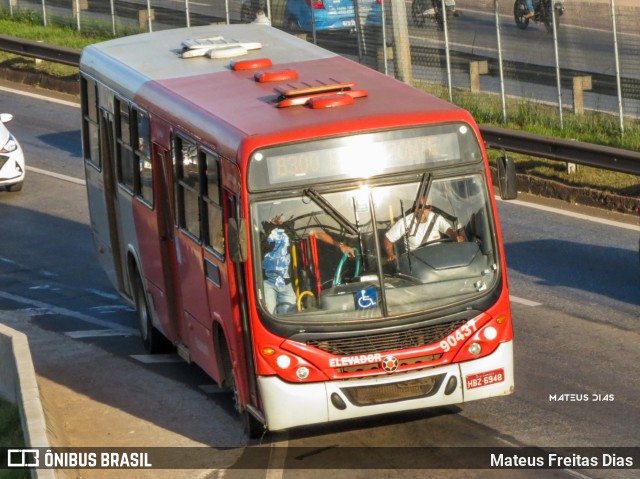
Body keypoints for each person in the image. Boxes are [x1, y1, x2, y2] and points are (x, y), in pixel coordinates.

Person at [261, 215, 355, 314]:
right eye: (278, 215)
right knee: (269, 315)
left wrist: (340, 245)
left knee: (288, 317)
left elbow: (317, 234)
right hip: (267, 283)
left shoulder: (290, 228)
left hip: (286, 284)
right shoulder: (262, 227)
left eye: (282, 215)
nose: (280, 217)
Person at [384, 199, 464, 263]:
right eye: (419, 206)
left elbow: (449, 230)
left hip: (438, 258)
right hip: (416, 261)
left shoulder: (436, 218)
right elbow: (388, 238)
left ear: (430, 208)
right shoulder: (405, 222)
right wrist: (391, 255)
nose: (421, 210)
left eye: (425, 207)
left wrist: (456, 236)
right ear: (415, 207)